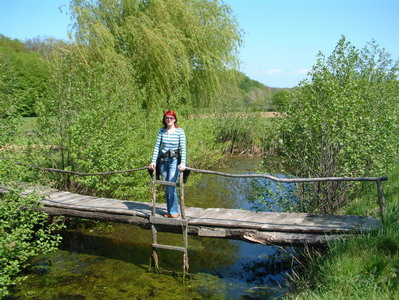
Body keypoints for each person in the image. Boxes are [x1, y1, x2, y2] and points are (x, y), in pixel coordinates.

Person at [149, 110, 186, 218]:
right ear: (164, 119)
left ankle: (174, 211)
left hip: (174, 162)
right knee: (166, 186)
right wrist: (153, 161)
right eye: (166, 118)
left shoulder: (180, 131)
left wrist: (182, 163)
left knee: (171, 185)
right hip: (163, 162)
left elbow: (183, 149)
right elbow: (157, 147)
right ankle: (170, 211)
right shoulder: (162, 131)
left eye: (171, 118)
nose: (168, 120)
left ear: (174, 119)